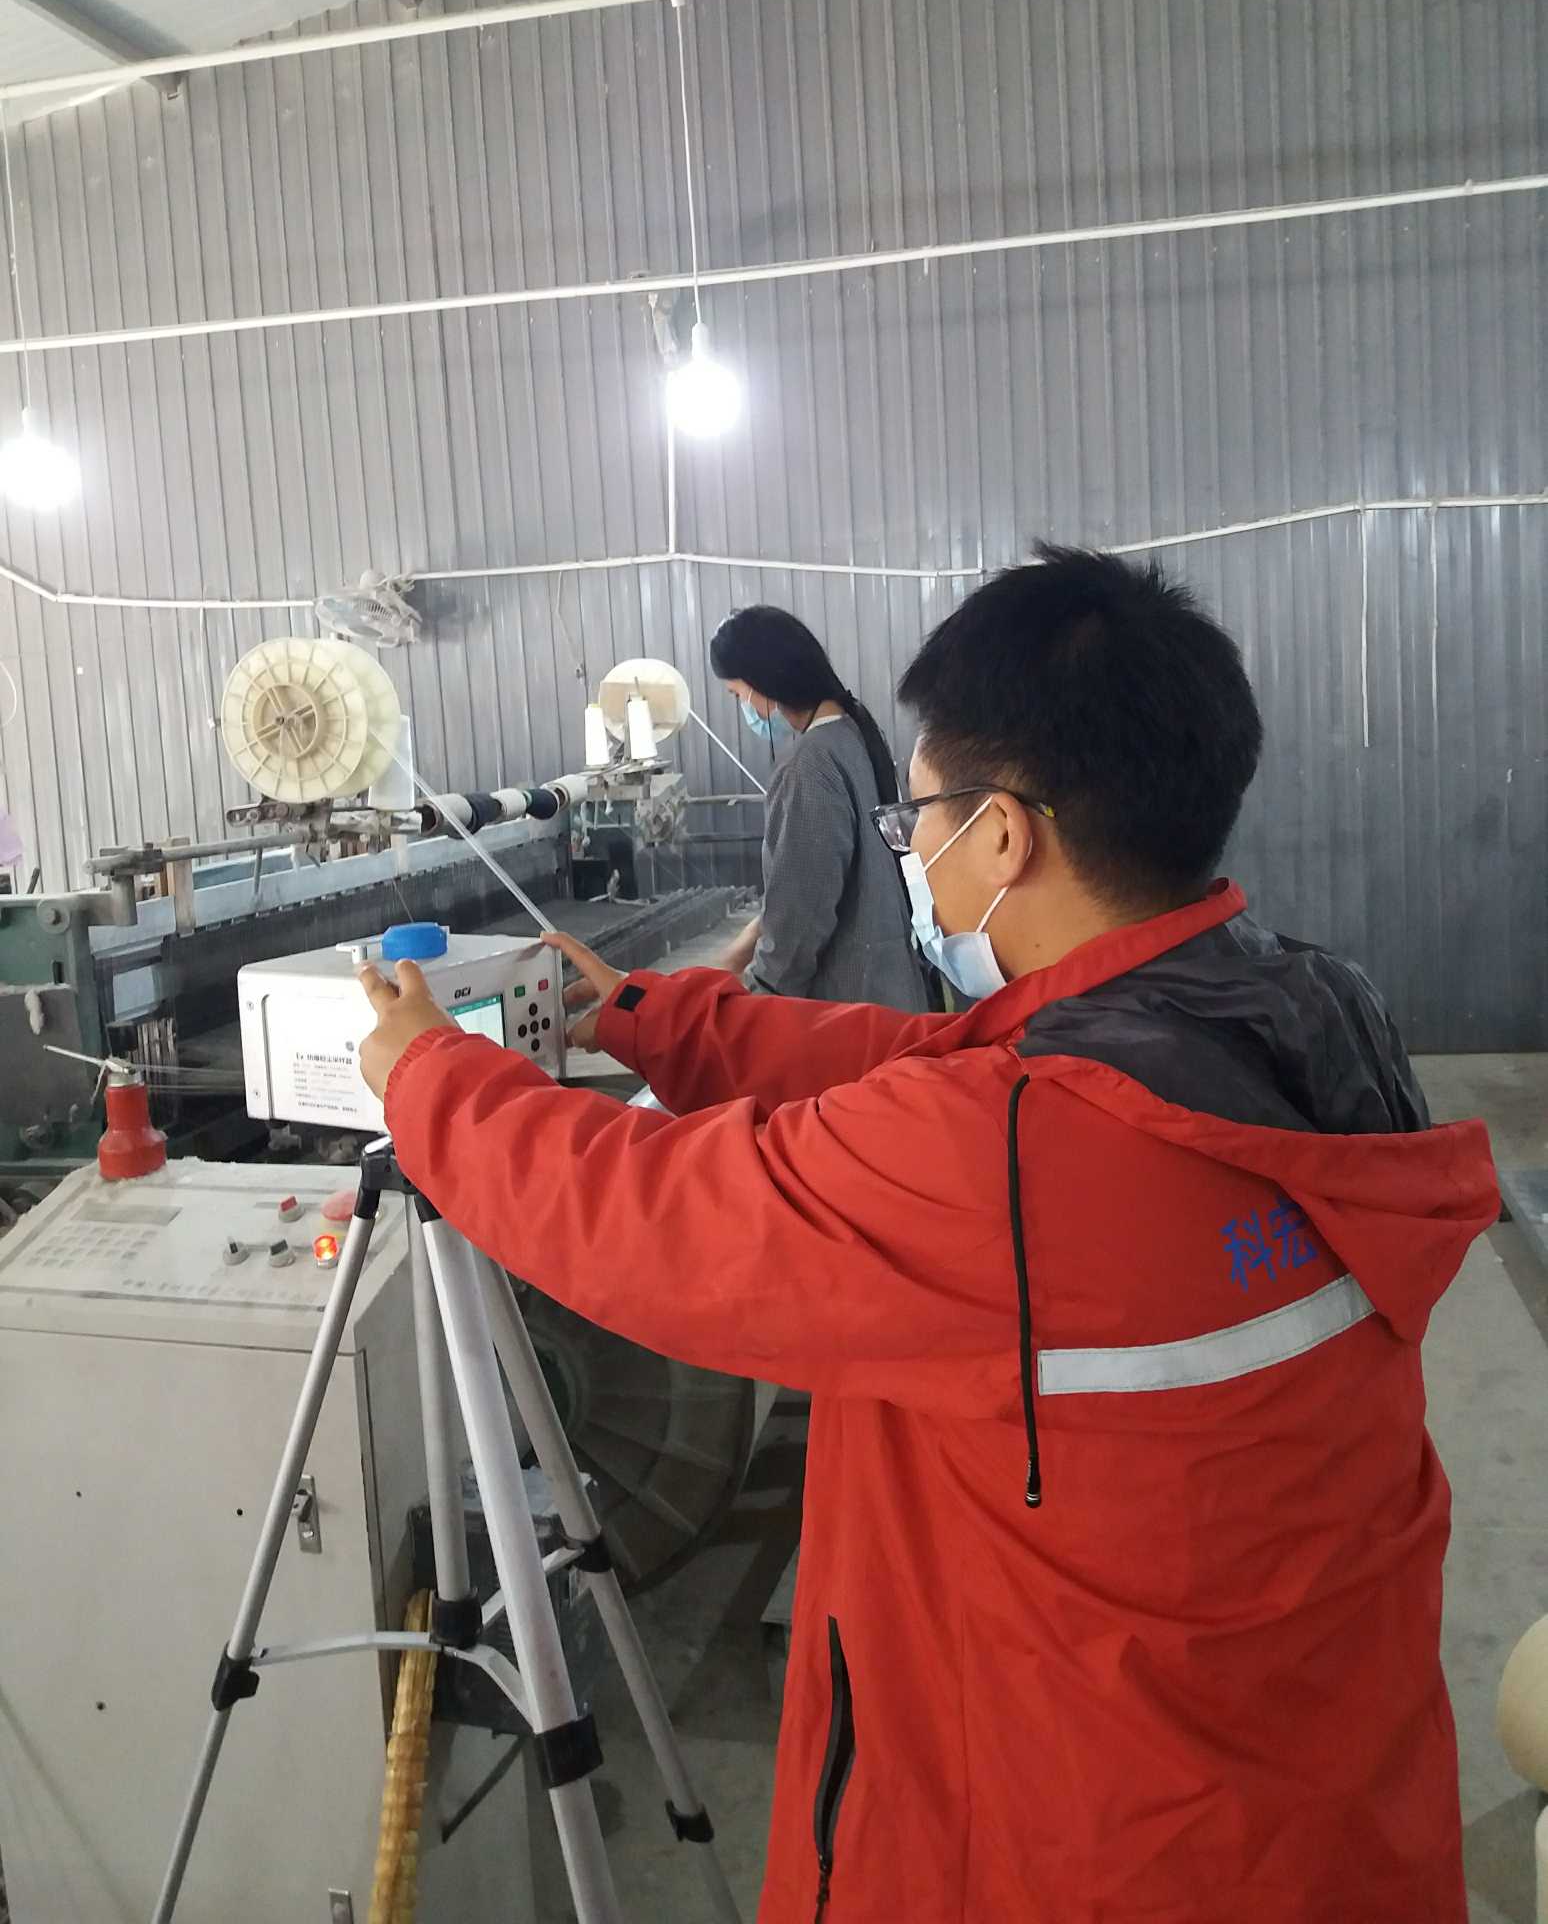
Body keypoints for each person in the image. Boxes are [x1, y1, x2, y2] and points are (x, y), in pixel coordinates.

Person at [359, 548, 1498, 1924]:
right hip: (1333, 1810)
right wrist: (660, 1019)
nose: (916, 851)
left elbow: (641, 1216)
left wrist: (430, 1079)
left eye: (924, 818)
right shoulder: (1303, 1013)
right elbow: (934, 1065)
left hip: (1089, 1855)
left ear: (1004, 836)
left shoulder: (1006, 1158)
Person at [706, 604, 930, 1009]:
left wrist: (759, 1001)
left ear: (761, 683)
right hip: (890, 994)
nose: (744, 708)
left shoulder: (809, 763)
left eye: (738, 694)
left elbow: (800, 920)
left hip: (847, 1004)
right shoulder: (855, 732)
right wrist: (742, 950)